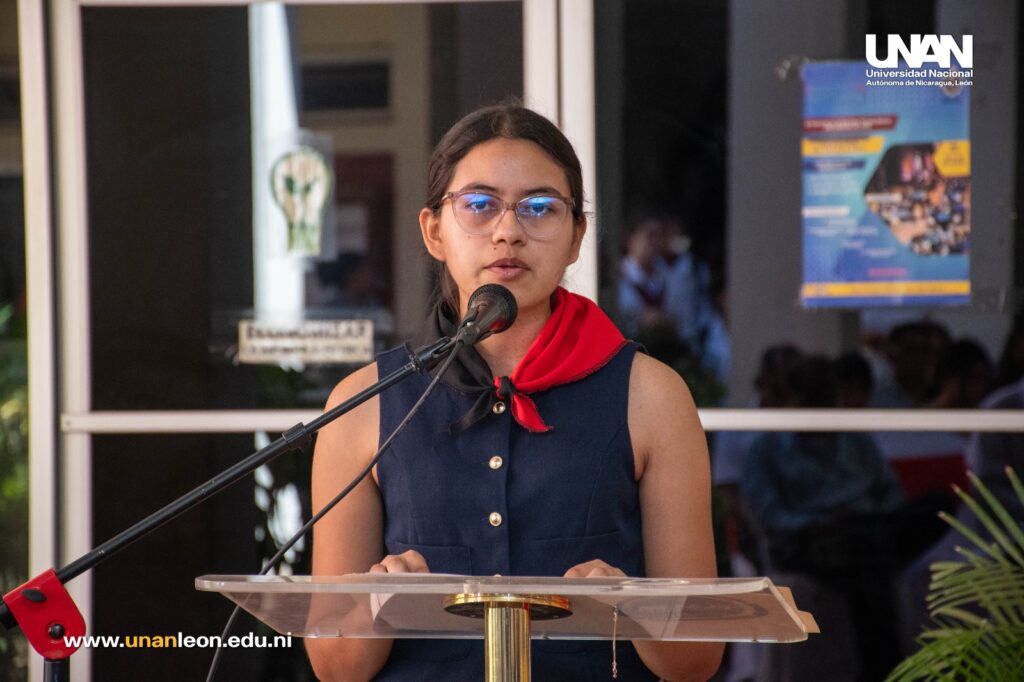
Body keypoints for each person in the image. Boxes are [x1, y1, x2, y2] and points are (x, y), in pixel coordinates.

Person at [305, 103, 723, 681]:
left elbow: (697, 660)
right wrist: (380, 607)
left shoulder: (651, 397)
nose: (508, 232)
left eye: (540, 207)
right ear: (434, 231)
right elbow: (334, 669)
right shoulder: (365, 404)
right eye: (479, 205)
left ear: (577, 237)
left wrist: (630, 607)